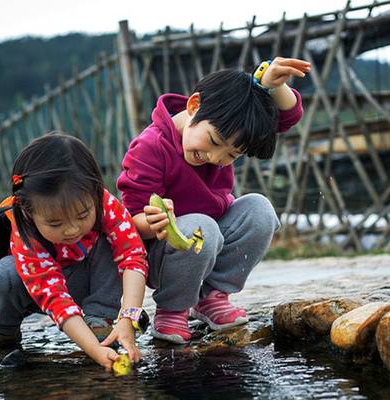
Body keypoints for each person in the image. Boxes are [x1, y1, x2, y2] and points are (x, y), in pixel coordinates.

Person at [117, 57, 310, 343]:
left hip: (210, 237)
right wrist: (154, 222)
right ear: (194, 106)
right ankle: (173, 309)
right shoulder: (150, 147)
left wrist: (270, 85)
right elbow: (129, 222)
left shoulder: (221, 130)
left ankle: (210, 298)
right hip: (164, 253)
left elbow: (287, 117)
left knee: (260, 210)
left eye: (231, 155)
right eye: (215, 141)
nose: (216, 158)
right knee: (201, 226)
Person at [0, 133, 148, 371]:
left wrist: (128, 317)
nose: (72, 229)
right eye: (55, 224)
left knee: (109, 245)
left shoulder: (104, 203)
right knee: (2, 274)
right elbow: (55, 298)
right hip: (34, 293)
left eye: (82, 216)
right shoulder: (25, 232)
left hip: (87, 279)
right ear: (28, 212)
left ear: (95, 190)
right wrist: (94, 350)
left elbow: (132, 257)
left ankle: (99, 318)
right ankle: (1, 330)